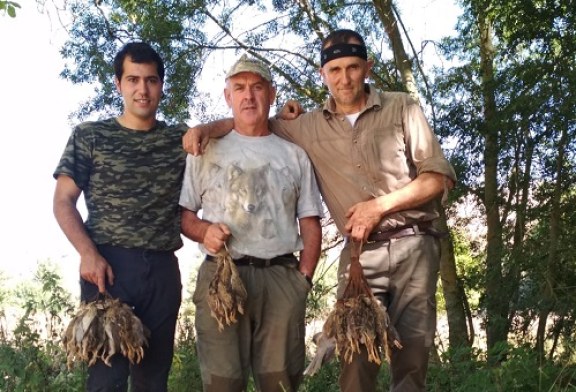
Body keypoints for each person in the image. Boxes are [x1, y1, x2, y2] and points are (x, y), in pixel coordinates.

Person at [183, 29, 457, 392]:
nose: (345, 78)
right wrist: (203, 129)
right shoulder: (307, 125)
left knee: (411, 361)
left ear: (367, 68)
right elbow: (249, 122)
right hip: (360, 255)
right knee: (355, 362)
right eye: (336, 69)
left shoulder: (402, 107)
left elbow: (437, 178)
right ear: (323, 74)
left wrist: (378, 207)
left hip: (414, 245)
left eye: (353, 67)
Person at [179, 54, 323, 392]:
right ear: (227, 96)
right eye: (239, 88)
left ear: (271, 94)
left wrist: (302, 280)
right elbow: (184, 215)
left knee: (280, 382)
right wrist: (204, 232)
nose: (249, 96)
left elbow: (310, 221)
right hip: (222, 276)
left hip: (281, 278)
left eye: (257, 87)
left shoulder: (293, 154)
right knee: (222, 383)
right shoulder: (206, 149)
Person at [53, 42, 188, 391]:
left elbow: (234, 128)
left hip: (161, 270)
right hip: (108, 271)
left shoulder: (179, 139)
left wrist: (284, 119)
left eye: (151, 80)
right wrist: (88, 253)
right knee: (106, 379)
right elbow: (63, 202)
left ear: (161, 85)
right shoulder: (91, 135)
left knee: (153, 379)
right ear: (119, 84)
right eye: (133, 79)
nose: (142, 89)